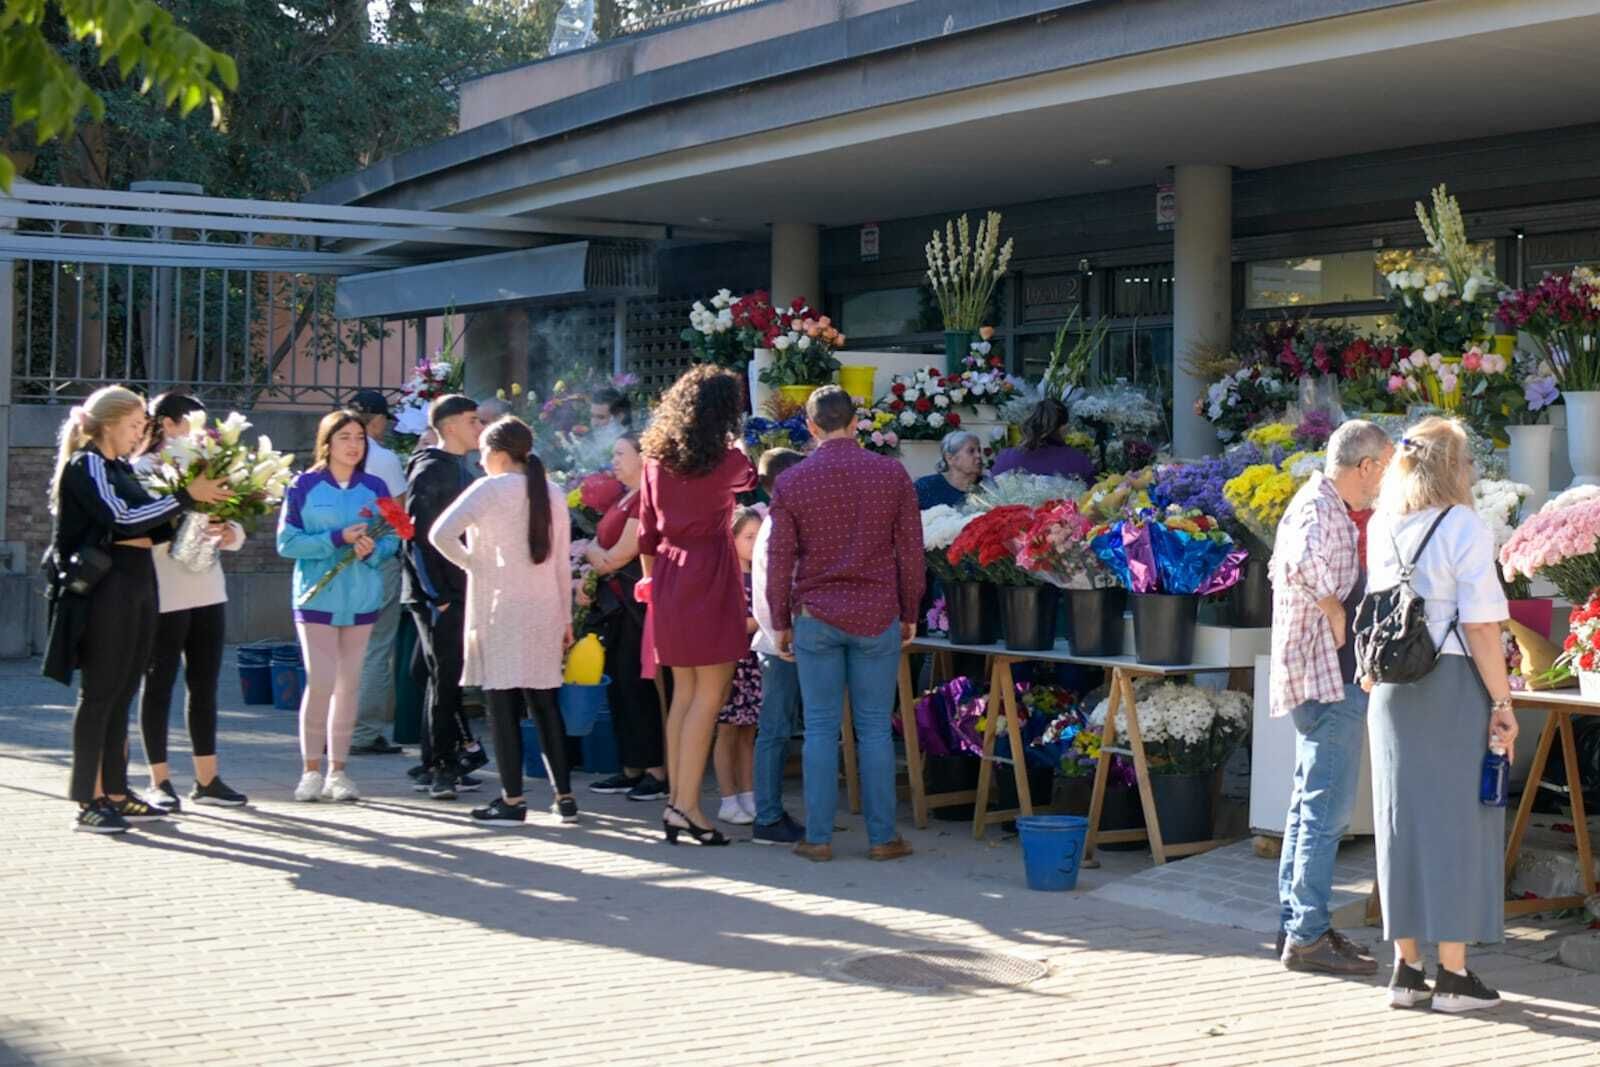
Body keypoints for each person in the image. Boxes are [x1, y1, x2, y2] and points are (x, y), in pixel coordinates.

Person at [1364, 416, 1517, 1013]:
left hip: (1391, 688)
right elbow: (1480, 625)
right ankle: (1454, 975)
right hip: (1450, 682)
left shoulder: (1382, 523)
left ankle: (1406, 970)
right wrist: (1502, 703)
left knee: (1398, 822)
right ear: (1454, 467)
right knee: (1457, 823)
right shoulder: (1464, 525)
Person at [44, 386, 228, 833]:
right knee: (100, 693)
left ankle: (116, 791)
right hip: (107, 588)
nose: (139, 433)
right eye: (132, 425)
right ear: (107, 424)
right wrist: (186, 496)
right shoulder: (87, 464)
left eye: (142, 425)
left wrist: (200, 513)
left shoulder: (120, 466)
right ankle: (87, 798)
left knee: (124, 690)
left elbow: (153, 523)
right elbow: (122, 518)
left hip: (139, 581)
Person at [768, 385, 924, 863]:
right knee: (874, 728)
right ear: (856, 423)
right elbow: (911, 553)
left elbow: (779, 559)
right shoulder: (891, 474)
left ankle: (818, 838)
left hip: (816, 615)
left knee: (819, 727)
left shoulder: (792, 481)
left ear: (811, 427)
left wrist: (779, 620)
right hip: (877, 612)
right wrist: (910, 611)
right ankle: (882, 838)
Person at [1269, 419, 1391, 975]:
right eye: (1385, 468)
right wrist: (1336, 608)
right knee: (1326, 810)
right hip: (1329, 676)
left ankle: (1298, 922)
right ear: (1365, 466)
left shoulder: (1320, 502)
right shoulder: (1320, 508)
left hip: (1320, 674)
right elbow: (1298, 563)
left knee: (1308, 804)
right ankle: (1308, 936)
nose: (1386, 479)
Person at [429, 416, 578, 826]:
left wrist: (474, 564)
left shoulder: (489, 489)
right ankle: (565, 798)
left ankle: (512, 800)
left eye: (483, 454)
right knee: (545, 704)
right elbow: (562, 563)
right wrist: (566, 617)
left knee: (502, 705)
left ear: (496, 453)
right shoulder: (552, 491)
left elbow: (440, 534)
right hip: (546, 608)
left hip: (502, 609)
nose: (480, 462)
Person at [637, 365, 757, 845]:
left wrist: (652, 586)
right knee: (709, 695)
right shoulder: (727, 460)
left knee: (683, 695)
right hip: (710, 571)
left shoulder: (654, 461)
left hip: (668, 573)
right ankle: (686, 807)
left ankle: (677, 803)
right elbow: (750, 474)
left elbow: (646, 533)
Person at [133, 393, 250, 811]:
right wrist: (182, 513)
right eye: (192, 421)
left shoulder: (208, 464)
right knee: (158, 685)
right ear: (166, 424)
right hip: (163, 590)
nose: (202, 430)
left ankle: (207, 779)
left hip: (208, 588)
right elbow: (140, 525)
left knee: (204, 685)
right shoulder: (143, 469)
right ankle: (159, 781)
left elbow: (233, 519)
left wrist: (230, 532)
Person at [277, 410, 400, 803]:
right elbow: (287, 543)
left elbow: (394, 537)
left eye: (360, 438)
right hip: (316, 597)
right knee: (321, 682)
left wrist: (372, 550)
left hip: (362, 597)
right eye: (345, 437)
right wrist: (336, 538)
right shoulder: (303, 485)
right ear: (327, 443)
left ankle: (339, 772)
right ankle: (310, 771)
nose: (354, 445)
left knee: (349, 685)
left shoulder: (377, 487)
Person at [401, 394, 487, 799]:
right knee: (446, 677)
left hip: (453, 589)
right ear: (449, 427)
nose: (479, 428)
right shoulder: (432, 470)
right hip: (439, 593)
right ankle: (442, 768)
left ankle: (436, 757)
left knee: (434, 674)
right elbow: (417, 538)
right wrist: (438, 596)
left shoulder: (461, 467)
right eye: (473, 421)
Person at [584, 433, 668, 802]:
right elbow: (600, 550)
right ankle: (631, 766)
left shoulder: (645, 499)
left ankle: (655, 769)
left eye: (621, 453)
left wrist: (594, 554)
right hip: (615, 608)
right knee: (619, 686)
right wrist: (594, 554)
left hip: (636, 607)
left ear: (643, 457)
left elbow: (618, 555)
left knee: (639, 687)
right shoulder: (625, 497)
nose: (614, 461)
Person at [749, 447, 808, 844]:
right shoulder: (777, 527)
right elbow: (773, 590)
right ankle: (767, 815)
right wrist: (780, 635)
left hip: (780, 639)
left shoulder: (779, 521)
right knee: (775, 729)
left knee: (779, 728)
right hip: (780, 643)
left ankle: (770, 813)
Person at [345, 389, 407, 757]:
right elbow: (399, 514)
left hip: (335, 558)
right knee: (375, 647)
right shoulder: (383, 458)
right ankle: (363, 732)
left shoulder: (330, 452)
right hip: (376, 556)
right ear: (377, 419)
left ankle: (333, 727)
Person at [713, 505, 764, 825]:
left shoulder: (760, 576)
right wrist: (762, 621)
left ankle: (748, 794)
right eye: (748, 537)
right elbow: (729, 623)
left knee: (748, 733)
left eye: (760, 537)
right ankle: (727, 798)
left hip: (755, 664)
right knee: (727, 731)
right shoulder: (726, 578)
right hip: (731, 662)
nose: (755, 543)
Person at [990, 397, 1096, 481]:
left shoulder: (1005, 458)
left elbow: (990, 491)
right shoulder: (1078, 460)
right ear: (1063, 428)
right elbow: (1094, 496)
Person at [913, 430, 983, 510]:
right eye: (971, 451)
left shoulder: (988, 487)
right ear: (949, 458)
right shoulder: (925, 487)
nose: (978, 455)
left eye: (979, 450)